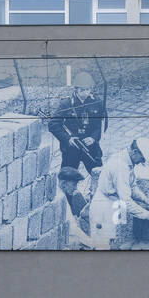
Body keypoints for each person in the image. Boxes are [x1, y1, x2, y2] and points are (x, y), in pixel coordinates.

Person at [88, 137, 149, 249]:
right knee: (101, 247)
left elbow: (132, 186)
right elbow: (126, 201)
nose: (142, 162)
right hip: (103, 208)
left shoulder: (128, 162)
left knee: (110, 243)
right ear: (135, 152)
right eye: (142, 158)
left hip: (112, 205)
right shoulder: (120, 166)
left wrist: (144, 199)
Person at [49, 72, 107, 216]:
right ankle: (66, 211)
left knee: (101, 177)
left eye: (88, 90)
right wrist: (67, 139)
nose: (85, 93)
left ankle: (98, 206)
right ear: (76, 90)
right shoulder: (66, 104)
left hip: (90, 149)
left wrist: (93, 138)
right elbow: (53, 124)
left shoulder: (97, 102)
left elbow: (100, 125)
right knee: (67, 180)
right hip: (71, 150)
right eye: (81, 90)